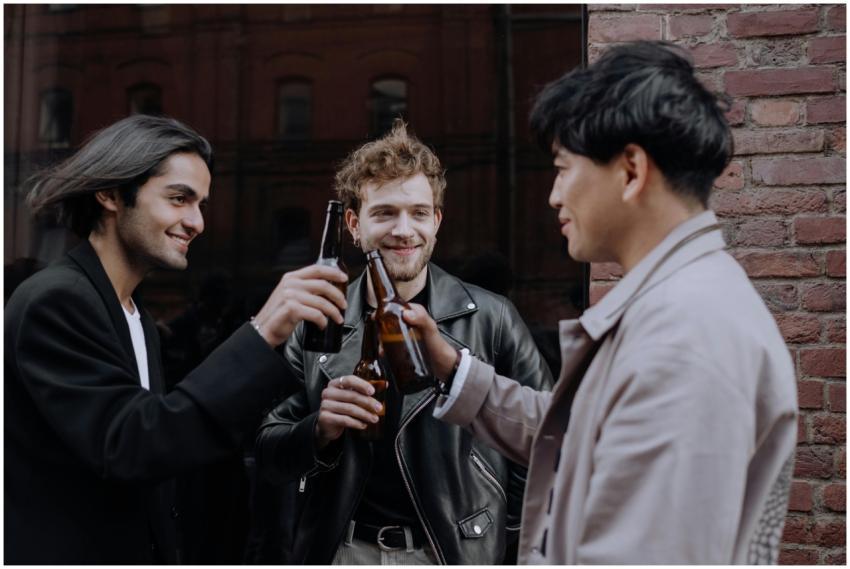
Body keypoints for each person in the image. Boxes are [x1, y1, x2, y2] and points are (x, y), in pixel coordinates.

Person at [401, 41, 799, 564]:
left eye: (564, 168)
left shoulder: (686, 336)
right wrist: (453, 368)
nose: (554, 195)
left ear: (631, 170)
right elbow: (586, 436)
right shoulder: (678, 305)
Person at [4, 115, 348, 564]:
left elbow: (168, 439)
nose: (197, 222)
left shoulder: (134, 316)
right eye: (179, 199)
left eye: (201, 204)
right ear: (110, 194)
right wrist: (263, 331)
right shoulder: (57, 300)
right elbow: (133, 444)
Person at [255, 121, 553, 564]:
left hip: (452, 551)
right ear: (354, 225)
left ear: (436, 221)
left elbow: (547, 441)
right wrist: (319, 429)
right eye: (384, 213)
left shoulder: (492, 318)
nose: (403, 229)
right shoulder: (317, 323)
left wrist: (499, 532)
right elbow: (266, 450)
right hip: (347, 551)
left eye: (418, 213)